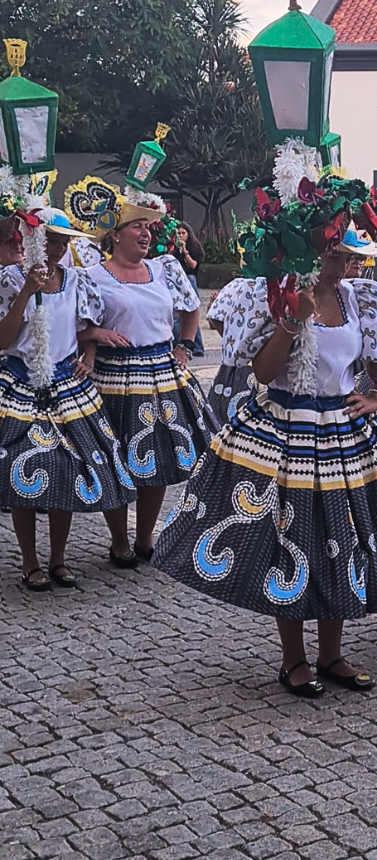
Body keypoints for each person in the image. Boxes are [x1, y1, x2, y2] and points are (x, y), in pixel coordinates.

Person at [153, 221, 377, 698]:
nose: (343, 267)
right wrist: (293, 319)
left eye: (347, 258)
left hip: (344, 432)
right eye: (334, 257)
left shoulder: (356, 298)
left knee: (341, 539)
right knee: (292, 540)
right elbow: (262, 370)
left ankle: (332, 653)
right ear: (307, 255)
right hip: (287, 430)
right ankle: (293, 659)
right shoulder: (277, 295)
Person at [65, 178, 215, 567]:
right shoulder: (92, 276)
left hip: (161, 374)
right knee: (115, 459)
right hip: (114, 378)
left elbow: (190, 307)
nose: (146, 234)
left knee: (160, 456)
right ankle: (118, 539)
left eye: (148, 227)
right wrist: (96, 333)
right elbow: (75, 325)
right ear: (114, 235)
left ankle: (146, 537)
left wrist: (183, 345)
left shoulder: (164, 268)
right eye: (137, 227)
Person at [0, 209, 136, 591]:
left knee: (66, 470)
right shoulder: (9, 279)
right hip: (22, 384)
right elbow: (3, 339)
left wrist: (88, 357)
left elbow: (84, 328)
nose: (59, 249)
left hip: (66, 385)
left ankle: (58, 558)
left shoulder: (75, 280)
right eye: (52, 241)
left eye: (64, 242)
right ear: (33, 241)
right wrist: (26, 291)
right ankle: (29, 560)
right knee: (22, 471)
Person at [205, 275, 262, 425]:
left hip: (233, 371)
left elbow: (215, 316)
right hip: (252, 373)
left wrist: (231, 341)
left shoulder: (236, 286)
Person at [172, 222, 205, 356]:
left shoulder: (194, 248)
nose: (181, 236)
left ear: (188, 234)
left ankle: (197, 347)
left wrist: (185, 253)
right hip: (177, 281)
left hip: (189, 279)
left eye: (183, 233)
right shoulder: (174, 249)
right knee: (177, 315)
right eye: (178, 233)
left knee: (191, 312)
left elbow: (193, 266)